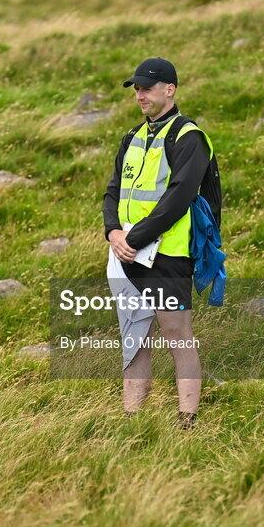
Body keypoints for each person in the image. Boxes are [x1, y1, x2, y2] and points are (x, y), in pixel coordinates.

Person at [103, 57, 214, 429]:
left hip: (168, 253)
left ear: (170, 89)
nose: (140, 95)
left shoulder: (190, 137)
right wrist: (113, 233)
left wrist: (132, 238)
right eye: (136, 88)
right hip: (126, 252)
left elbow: (179, 197)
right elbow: (112, 192)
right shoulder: (131, 137)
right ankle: (133, 418)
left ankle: (188, 419)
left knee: (176, 334)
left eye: (147, 88)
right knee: (134, 336)